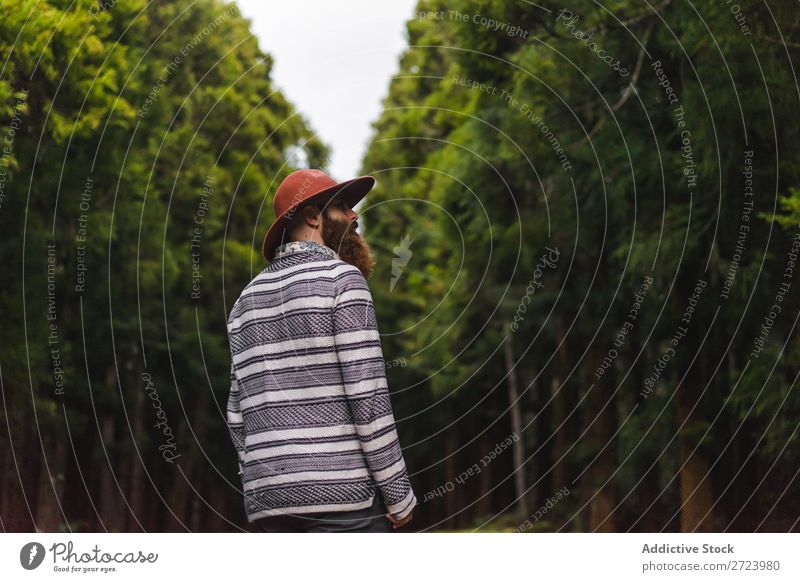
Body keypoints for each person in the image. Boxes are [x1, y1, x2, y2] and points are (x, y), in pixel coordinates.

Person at [226, 169, 417, 532]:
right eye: (343, 206)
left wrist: (264, 483)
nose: (354, 216)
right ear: (313, 216)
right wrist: (398, 496)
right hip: (343, 503)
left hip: (268, 506)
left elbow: (237, 412)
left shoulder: (244, 301)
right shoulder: (343, 279)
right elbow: (368, 399)